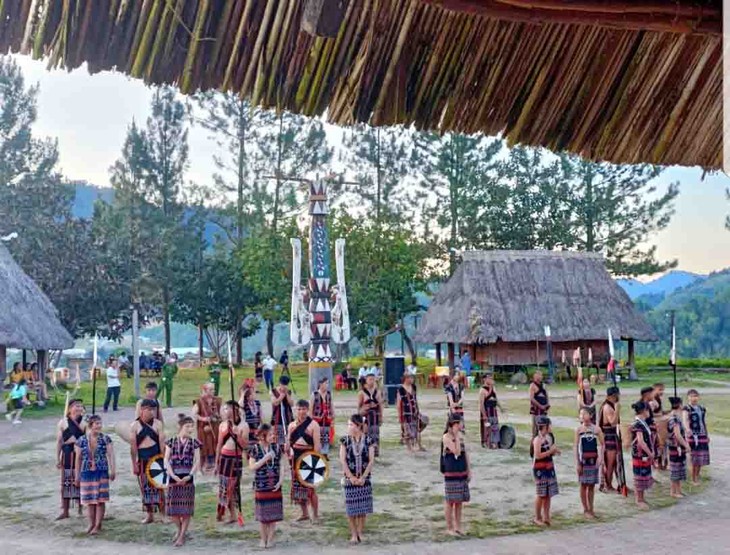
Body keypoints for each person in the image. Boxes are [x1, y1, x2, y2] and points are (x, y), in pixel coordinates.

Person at [164, 414, 201, 547]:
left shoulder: (194, 443)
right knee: (173, 510)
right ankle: (180, 530)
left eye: (192, 426)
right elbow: (166, 460)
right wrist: (173, 475)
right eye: (187, 426)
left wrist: (190, 475)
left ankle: (182, 535)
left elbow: (197, 460)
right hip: (173, 478)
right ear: (180, 427)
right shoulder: (171, 442)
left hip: (187, 478)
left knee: (186, 509)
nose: (190, 429)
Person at [75, 414, 115, 535]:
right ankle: (91, 523)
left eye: (100, 423)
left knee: (100, 499)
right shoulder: (81, 440)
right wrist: (77, 475)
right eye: (96, 424)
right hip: (87, 472)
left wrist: (113, 470)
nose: (99, 426)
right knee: (89, 500)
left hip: (101, 471)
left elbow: (111, 455)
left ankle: (98, 525)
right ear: (90, 425)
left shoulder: (105, 439)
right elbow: (78, 458)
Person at [340, 414, 376, 543]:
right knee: (351, 508)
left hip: (364, 479)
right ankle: (353, 533)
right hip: (350, 479)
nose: (348, 427)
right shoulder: (345, 441)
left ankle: (360, 531)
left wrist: (363, 477)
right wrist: (351, 477)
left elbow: (371, 460)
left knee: (362, 508)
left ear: (359, 426)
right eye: (348, 424)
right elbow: (343, 460)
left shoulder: (369, 440)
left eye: (351, 424)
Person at [130, 398, 165, 523]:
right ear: (142, 410)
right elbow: (133, 447)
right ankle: (150, 515)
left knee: (159, 486)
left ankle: (162, 514)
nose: (152, 412)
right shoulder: (135, 426)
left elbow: (162, 443)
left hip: (156, 457)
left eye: (153, 410)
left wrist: (164, 459)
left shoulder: (158, 424)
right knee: (146, 488)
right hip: (143, 458)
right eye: (149, 409)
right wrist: (134, 464)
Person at [249, 423, 283, 549]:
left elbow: (282, 465)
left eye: (273, 434)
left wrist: (280, 480)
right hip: (261, 485)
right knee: (263, 516)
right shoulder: (255, 449)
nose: (273, 436)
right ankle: (263, 539)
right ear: (262, 436)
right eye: (270, 434)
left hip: (274, 484)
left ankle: (271, 538)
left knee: (273, 515)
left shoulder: (277, 447)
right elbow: (252, 467)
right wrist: (265, 458)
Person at [287, 399, 321, 522]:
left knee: (310, 489)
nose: (301, 412)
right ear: (295, 410)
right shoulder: (291, 426)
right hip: (295, 458)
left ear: (307, 410)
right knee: (297, 488)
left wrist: (314, 461)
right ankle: (304, 513)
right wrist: (288, 451)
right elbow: (289, 444)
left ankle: (315, 514)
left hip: (309, 459)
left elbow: (317, 446)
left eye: (304, 409)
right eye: (299, 409)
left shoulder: (313, 425)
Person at [215, 400, 249, 524]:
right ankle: (229, 514)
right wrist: (216, 461)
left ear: (234, 409)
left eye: (227, 409)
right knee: (223, 486)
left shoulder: (243, 426)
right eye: (225, 409)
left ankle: (236, 514)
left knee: (232, 487)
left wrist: (237, 434)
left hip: (235, 459)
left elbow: (245, 446)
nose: (225, 411)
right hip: (224, 458)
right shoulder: (222, 425)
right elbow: (219, 444)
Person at [55, 399, 86, 519]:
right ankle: (65, 510)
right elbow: (59, 442)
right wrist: (57, 458)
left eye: (80, 406)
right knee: (66, 482)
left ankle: (81, 507)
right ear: (69, 408)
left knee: (81, 481)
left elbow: (88, 439)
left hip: (80, 456)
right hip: (67, 454)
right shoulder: (63, 423)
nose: (78, 408)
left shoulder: (84, 422)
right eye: (76, 406)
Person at [440, 413, 470, 536]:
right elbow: (456, 451)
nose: (461, 426)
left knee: (459, 501)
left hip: (461, 471)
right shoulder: (446, 437)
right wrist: (456, 437)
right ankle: (449, 527)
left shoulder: (460, 436)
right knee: (450, 500)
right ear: (453, 425)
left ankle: (458, 526)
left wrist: (469, 469)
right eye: (459, 424)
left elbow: (465, 453)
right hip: (451, 471)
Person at [575, 408, 603, 519]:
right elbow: (576, 447)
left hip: (593, 460)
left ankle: (591, 508)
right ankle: (585, 508)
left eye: (584, 413)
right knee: (583, 485)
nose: (582, 416)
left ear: (590, 415)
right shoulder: (579, 430)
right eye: (580, 414)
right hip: (583, 461)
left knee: (591, 485)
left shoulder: (597, 429)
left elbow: (602, 444)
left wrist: (600, 458)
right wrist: (578, 462)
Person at [532, 416, 560, 526]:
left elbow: (549, 451)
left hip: (548, 467)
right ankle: (537, 517)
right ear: (545, 426)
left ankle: (546, 516)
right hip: (540, 469)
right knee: (541, 494)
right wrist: (550, 452)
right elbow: (538, 455)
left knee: (548, 493)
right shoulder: (537, 440)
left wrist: (554, 451)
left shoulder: (547, 438)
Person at [193, 383, 222, 473]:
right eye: (211, 389)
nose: (213, 391)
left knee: (216, 444)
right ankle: (203, 467)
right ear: (205, 390)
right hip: (203, 429)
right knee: (204, 447)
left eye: (213, 389)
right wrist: (204, 419)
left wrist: (219, 417)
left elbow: (222, 413)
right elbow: (194, 414)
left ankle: (216, 465)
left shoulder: (218, 400)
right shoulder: (199, 401)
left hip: (216, 428)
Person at [683, 389, 710, 485]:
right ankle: (693, 479)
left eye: (695, 396)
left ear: (698, 397)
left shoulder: (702, 408)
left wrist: (707, 434)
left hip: (702, 435)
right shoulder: (687, 408)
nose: (693, 398)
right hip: (693, 436)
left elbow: (703, 422)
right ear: (688, 397)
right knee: (694, 458)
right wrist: (687, 430)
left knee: (701, 458)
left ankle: (697, 476)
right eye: (691, 396)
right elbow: (685, 420)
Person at [630, 401, 654, 509]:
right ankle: (638, 499)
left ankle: (642, 497)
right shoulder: (638, 424)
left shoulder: (643, 423)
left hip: (645, 454)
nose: (649, 412)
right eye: (648, 410)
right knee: (639, 476)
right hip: (640, 454)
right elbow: (640, 441)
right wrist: (650, 453)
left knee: (644, 475)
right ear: (644, 411)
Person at [666, 396, 690, 498]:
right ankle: (673, 492)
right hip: (676, 447)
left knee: (679, 468)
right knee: (675, 470)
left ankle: (678, 490)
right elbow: (677, 435)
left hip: (678, 448)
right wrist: (686, 444)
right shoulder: (674, 418)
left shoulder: (675, 416)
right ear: (680, 405)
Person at [598, 386, 621, 492]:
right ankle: (608, 485)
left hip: (612, 435)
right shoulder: (607, 407)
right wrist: (617, 410)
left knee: (615, 462)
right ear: (613, 396)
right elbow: (613, 422)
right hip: (608, 436)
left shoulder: (608, 405)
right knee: (610, 463)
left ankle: (615, 483)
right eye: (617, 395)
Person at [397, 368, 423, 452]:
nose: (412, 379)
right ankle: (409, 447)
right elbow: (398, 403)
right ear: (406, 378)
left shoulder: (413, 387)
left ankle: (418, 445)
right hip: (405, 412)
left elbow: (415, 399)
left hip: (414, 411)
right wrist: (400, 416)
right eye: (410, 378)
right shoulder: (400, 389)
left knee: (416, 428)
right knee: (407, 430)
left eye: (412, 378)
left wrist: (418, 409)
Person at [358, 371, 383, 457]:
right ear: (366, 380)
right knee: (365, 434)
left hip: (375, 416)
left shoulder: (378, 392)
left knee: (375, 433)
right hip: (365, 417)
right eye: (370, 379)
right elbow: (359, 406)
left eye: (373, 379)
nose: (371, 381)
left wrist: (381, 416)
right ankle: (365, 452)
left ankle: (375, 452)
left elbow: (380, 406)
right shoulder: (362, 393)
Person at [312, 377, 334, 455]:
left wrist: (333, 416)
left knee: (326, 436)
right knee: (318, 436)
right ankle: (318, 453)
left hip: (327, 418)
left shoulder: (329, 394)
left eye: (328, 383)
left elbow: (331, 405)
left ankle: (325, 453)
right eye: (326, 383)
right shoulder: (314, 394)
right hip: (317, 418)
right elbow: (311, 408)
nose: (327, 385)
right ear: (320, 384)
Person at [478, 373, 500, 449]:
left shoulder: (493, 389)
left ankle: (495, 442)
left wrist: (501, 408)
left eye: (491, 378)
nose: (491, 380)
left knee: (495, 427)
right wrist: (484, 415)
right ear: (484, 379)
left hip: (493, 412)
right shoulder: (482, 390)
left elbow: (496, 400)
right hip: (487, 412)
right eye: (489, 378)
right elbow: (481, 404)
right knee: (487, 428)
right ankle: (486, 442)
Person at [271, 375, 294, 447]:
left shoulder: (288, 392)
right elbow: (275, 402)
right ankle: (279, 450)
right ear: (279, 383)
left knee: (289, 436)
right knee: (279, 438)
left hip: (287, 417)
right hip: (277, 417)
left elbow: (291, 404)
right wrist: (282, 395)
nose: (284, 386)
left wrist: (286, 394)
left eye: (286, 385)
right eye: (283, 384)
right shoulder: (273, 391)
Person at [239, 380, 262, 451]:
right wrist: (243, 394)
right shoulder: (245, 404)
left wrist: (262, 425)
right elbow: (240, 404)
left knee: (257, 447)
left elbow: (260, 415)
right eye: (253, 393)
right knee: (249, 448)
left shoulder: (257, 403)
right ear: (248, 396)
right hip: (248, 430)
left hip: (256, 429)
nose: (255, 394)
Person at [529, 371, 550, 437]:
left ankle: (543, 439)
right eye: (538, 375)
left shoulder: (544, 385)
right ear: (535, 376)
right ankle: (534, 439)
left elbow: (546, 395)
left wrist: (547, 404)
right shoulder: (532, 385)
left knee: (544, 424)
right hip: (536, 408)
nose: (540, 377)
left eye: (541, 375)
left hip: (544, 408)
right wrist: (540, 406)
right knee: (535, 425)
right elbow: (532, 398)